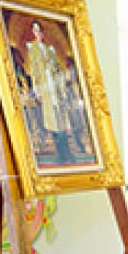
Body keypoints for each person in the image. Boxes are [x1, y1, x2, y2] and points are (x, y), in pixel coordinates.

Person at [27, 19, 73, 165]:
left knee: (61, 120)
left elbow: (58, 69)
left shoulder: (50, 49)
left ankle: (67, 153)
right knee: (52, 122)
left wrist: (62, 85)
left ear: (42, 31)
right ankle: (60, 154)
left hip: (55, 88)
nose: (38, 33)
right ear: (33, 33)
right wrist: (37, 90)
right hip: (45, 88)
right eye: (35, 30)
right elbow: (34, 72)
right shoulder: (32, 49)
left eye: (39, 30)